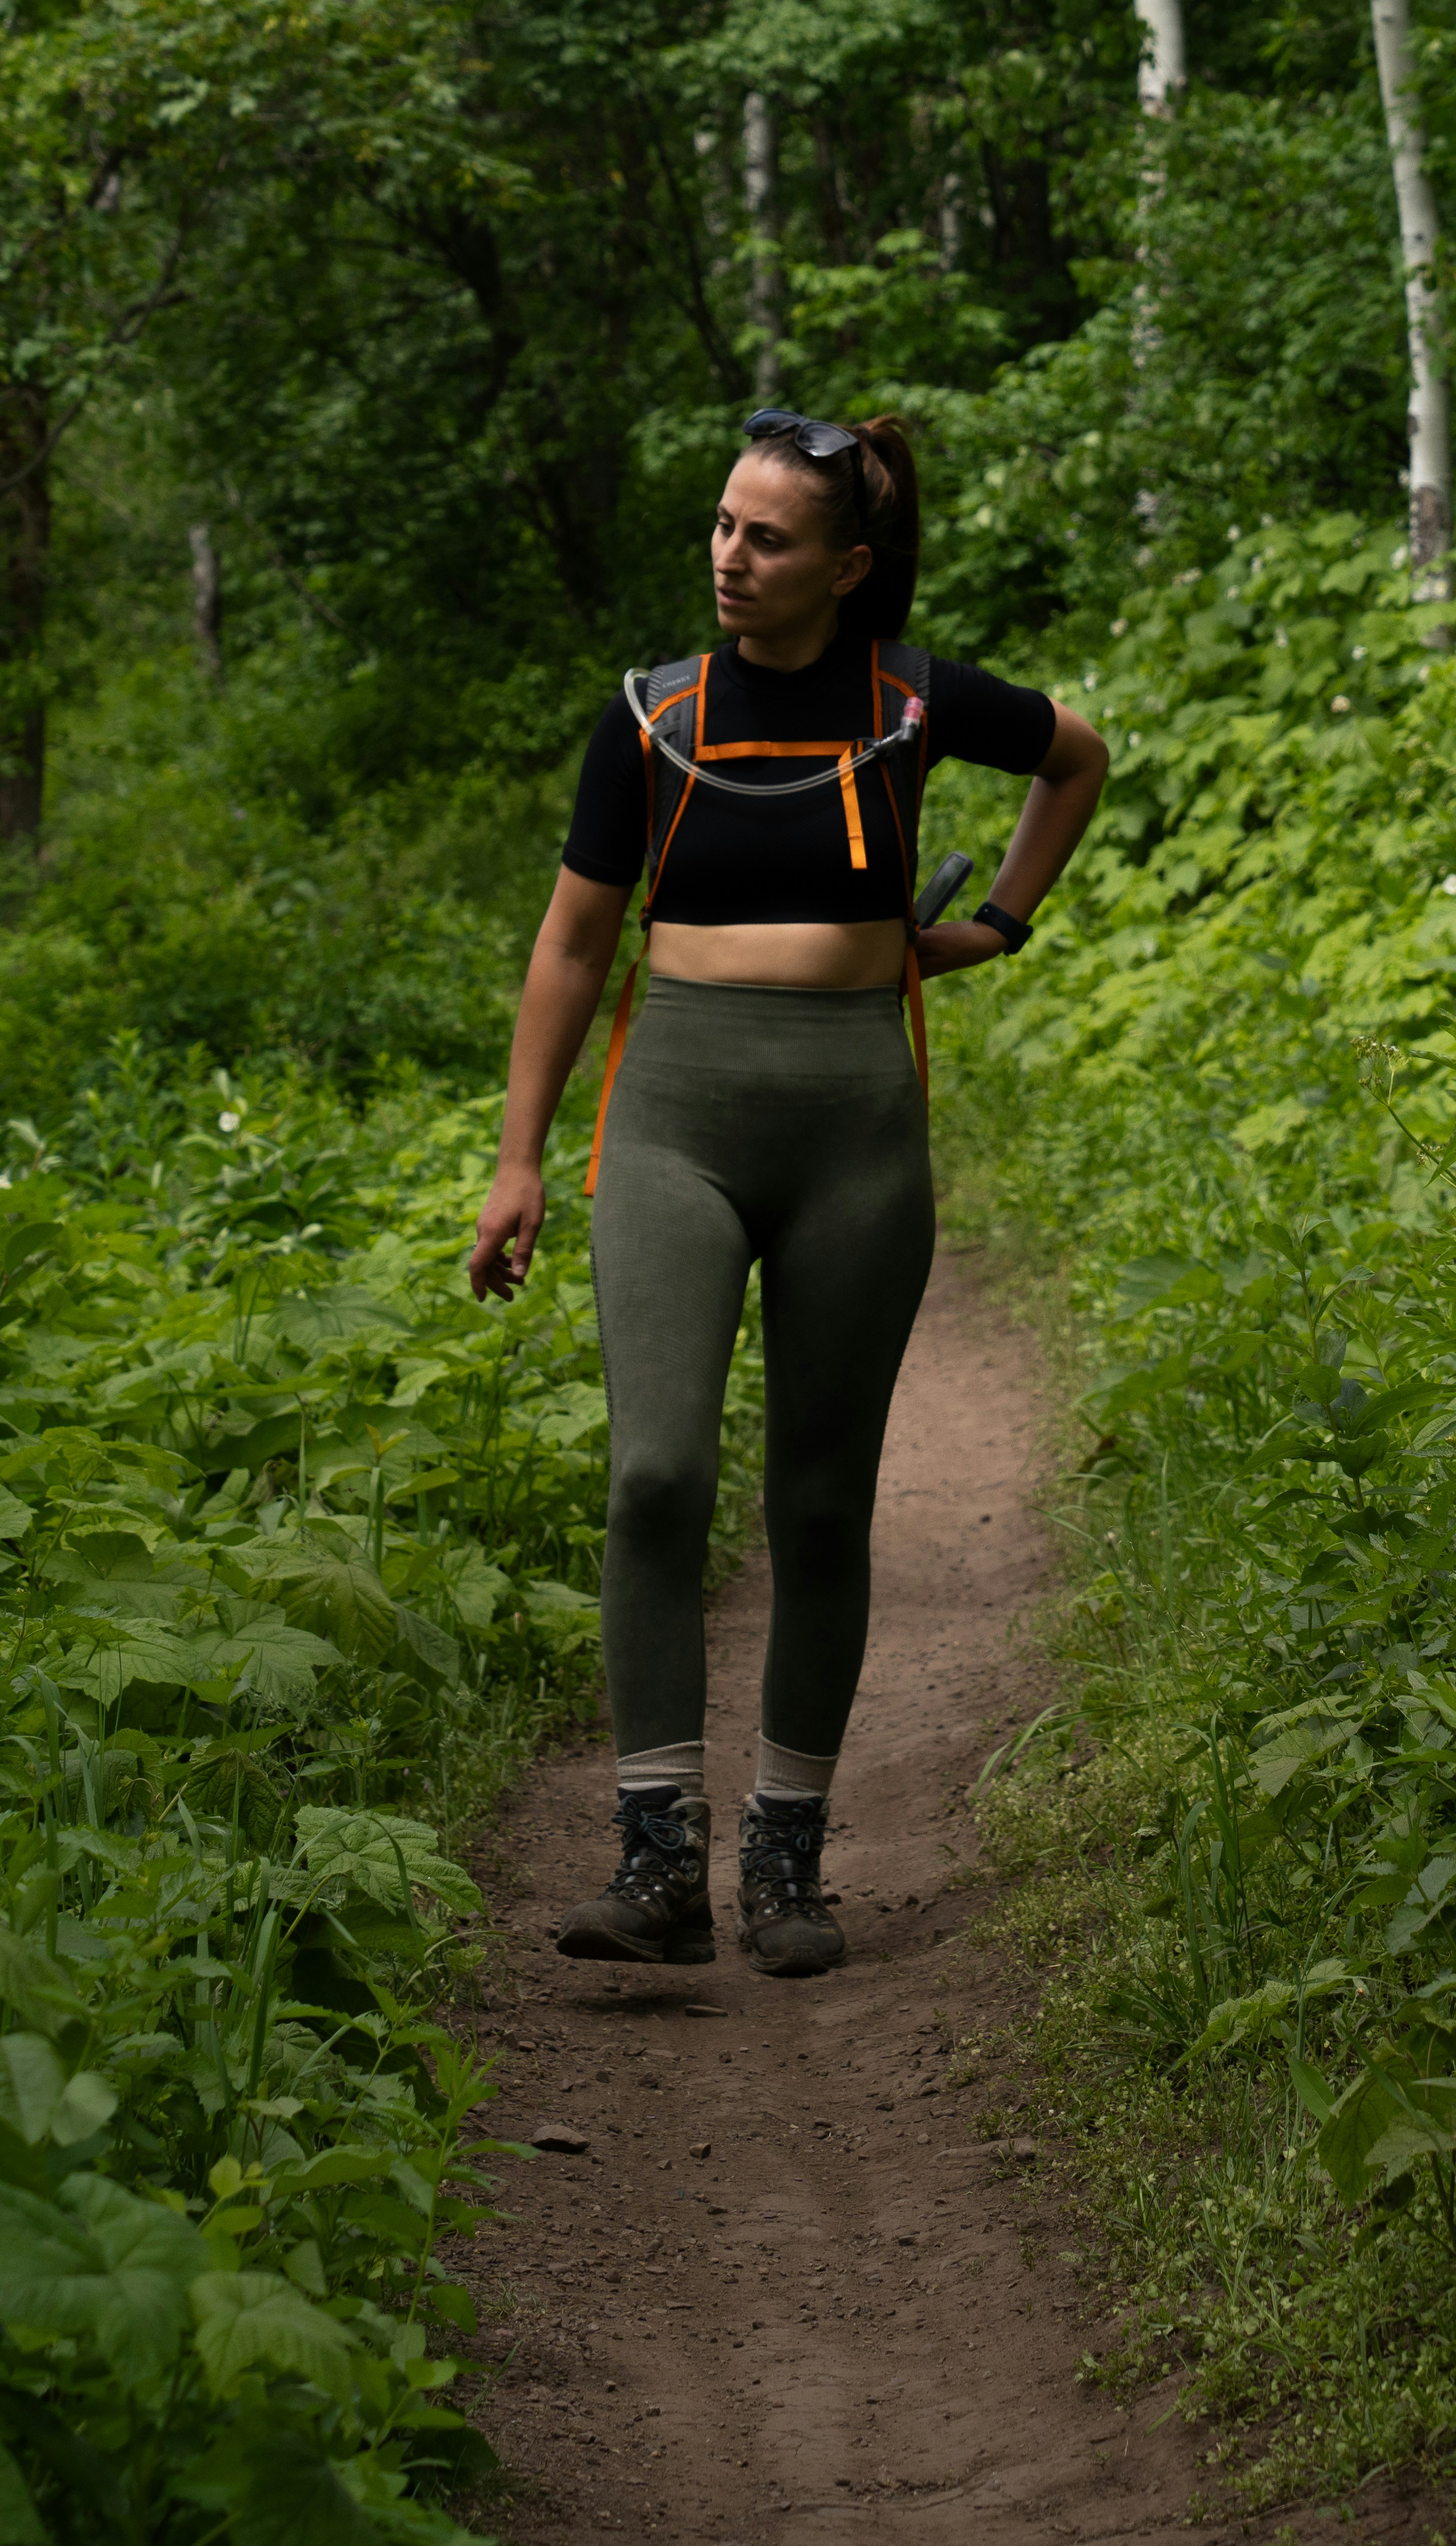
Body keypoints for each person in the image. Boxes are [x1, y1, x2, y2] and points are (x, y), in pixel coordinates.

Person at [463, 410, 1106, 1979]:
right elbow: (568, 946)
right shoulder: (650, 715)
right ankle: (656, 1856)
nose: (729, 557)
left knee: (819, 1500)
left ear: (847, 566)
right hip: (673, 1118)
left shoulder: (910, 702)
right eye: (722, 526)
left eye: (766, 537)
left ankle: (787, 1857)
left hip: (856, 1135)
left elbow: (1075, 755)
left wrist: (998, 924)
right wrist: (519, 1153)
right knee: (654, 1473)